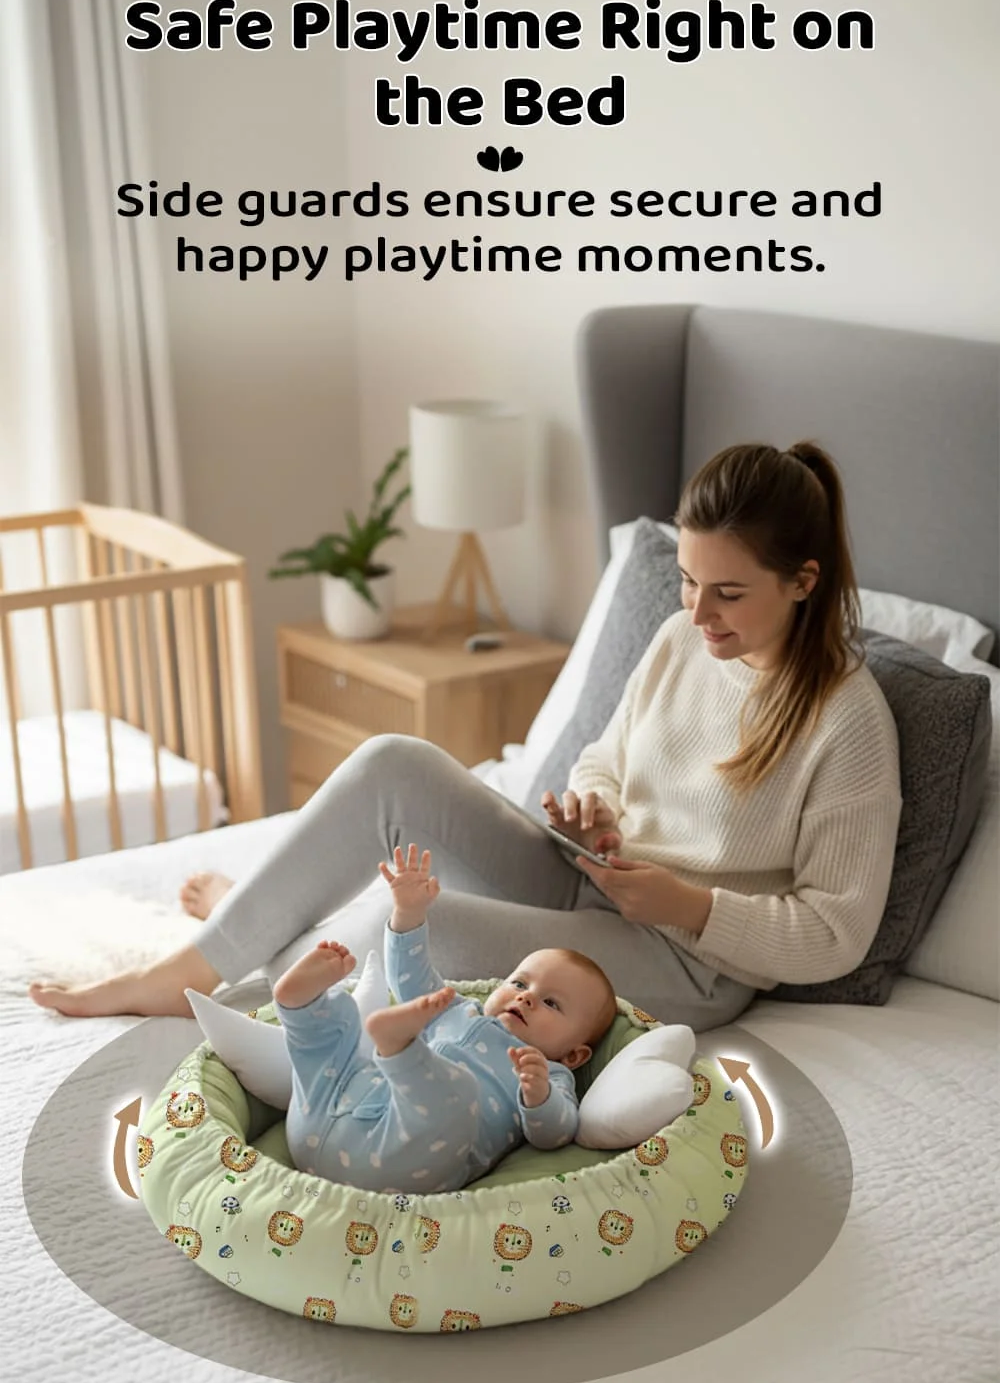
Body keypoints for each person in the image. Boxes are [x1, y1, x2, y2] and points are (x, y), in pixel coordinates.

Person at [32, 438, 901, 1039]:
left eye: (728, 594)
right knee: (392, 764)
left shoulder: (848, 719)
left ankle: (265, 948)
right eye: (685, 580)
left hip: (688, 958)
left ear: (803, 581)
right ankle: (200, 960)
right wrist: (592, 805)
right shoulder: (682, 640)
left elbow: (835, 934)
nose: (696, 613)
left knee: (420, 924)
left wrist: (687, 903)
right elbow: (607, 753)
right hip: (593, 881)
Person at [273, 837, 616, 1186]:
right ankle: (304, 1010)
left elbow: (557, 1134)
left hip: (409, 1158)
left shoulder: (550, 1074)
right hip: (326, 1117)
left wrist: (538, 1096)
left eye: (551, 1003)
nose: (526, 998)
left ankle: (399, 1048)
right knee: (340, 1049)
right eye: (519, 984)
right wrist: (408, 913)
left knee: (457, 1097)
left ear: (575, 1054)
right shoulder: (457, 1008)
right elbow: (411, 976)